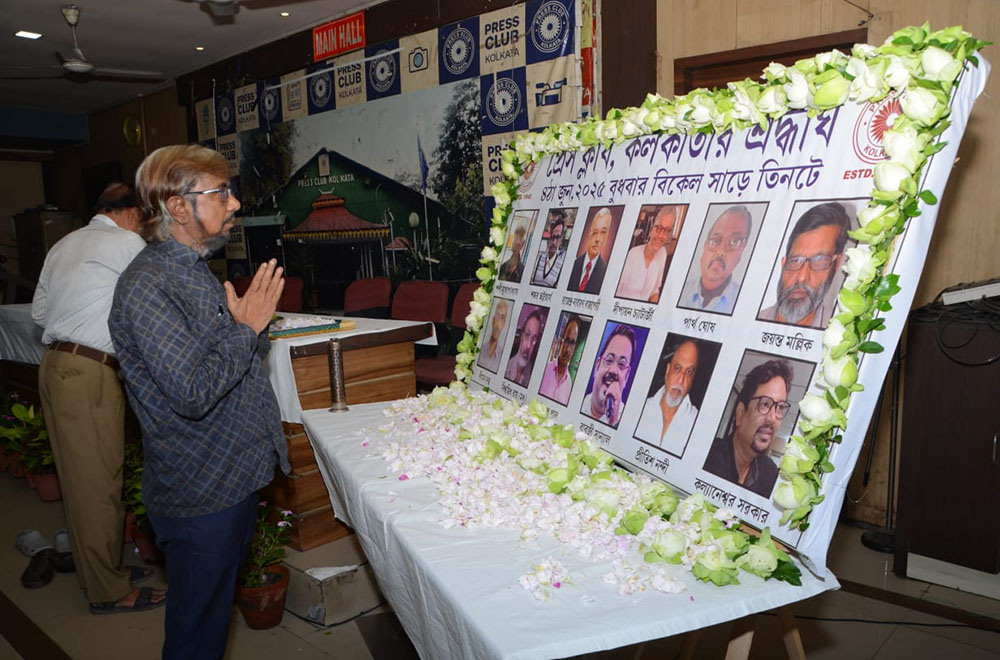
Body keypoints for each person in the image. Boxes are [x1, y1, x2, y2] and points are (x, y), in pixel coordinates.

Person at [109, 144, 290, 659]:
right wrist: (245, 329)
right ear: (178, 207)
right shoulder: (148, 286)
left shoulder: (189, 270)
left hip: (230, 479)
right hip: (201, 490)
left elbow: (227, 365)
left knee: (210, 624)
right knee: (196, 635)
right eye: (221, 193)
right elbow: (192, 393)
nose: (234, 204)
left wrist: (246, 330)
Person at [31, 182, 163, 614]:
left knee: (80, 481)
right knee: (99, 484)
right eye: (145, 221)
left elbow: (39, 314)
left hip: (55, 366)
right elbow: (156, 301)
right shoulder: (126, 243)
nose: (145, 231)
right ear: (130, 214)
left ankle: (103, 571)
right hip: (89, 372)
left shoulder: (63, 244)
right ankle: (109, 591)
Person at [703, 359, 792, 497]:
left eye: (780, 407)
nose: (772, 418)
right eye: (764, 404)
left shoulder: (769, 473)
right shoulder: (709, 456)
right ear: (740, 413)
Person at [759, 202, 850, 328]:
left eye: (819, 260)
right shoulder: (753, 321)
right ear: (784, 264)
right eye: (796, 261)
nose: (802, 277)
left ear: (836, 264)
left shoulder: (840, 330)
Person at [679, 206, 752, 313]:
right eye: (716, 241)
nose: (720, 252)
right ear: (705, 247)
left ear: (741, 254)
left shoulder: (744, 304)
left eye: (734, 242)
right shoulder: (680, 290)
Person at [634, 339, 699, 454]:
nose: (681, 380)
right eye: (677, 368)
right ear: (667, 370)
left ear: (692, 380)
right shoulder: (640, 408)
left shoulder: (697, 422)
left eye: (689, 372)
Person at [616, 205, 677, 302]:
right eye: (659, 228)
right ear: (651, 229)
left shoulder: (663, 254)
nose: (661, 236)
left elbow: (655, 290)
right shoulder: (632, 255)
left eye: (667, 230)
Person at [581, 324, 635, 427]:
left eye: (621, 364)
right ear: (597, 367)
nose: (613, 371)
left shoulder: (628, 422)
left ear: (627, 376)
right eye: (609, 360)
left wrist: (613, 420)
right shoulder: (578, 400)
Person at [567, 207, 612, 294]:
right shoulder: (573, 263)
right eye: (595, 232)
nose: (597, 239)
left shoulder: (606, 272)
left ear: (606, 238)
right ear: (589, 234)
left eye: (603, 232)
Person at [538, 315, 580, 405]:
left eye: (572, 343)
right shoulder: (544, 370)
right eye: (567, 341)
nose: (568, 349)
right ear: (561, 342)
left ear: (574, 348)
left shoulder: (568, 384)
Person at [504, 307, 545, 387]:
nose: (529, 345)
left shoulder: (531, 377)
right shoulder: (505, 366)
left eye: (534, 340)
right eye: (527, 335)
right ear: (521, 335)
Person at [532, 212, 567, 287]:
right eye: (553, 237)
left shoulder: (561, 266)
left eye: (558, 237)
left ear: (561, 240)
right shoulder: (538, 259)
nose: (554, 242)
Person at [477, 299, 510, 373]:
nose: (498, 322)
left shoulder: (504, 358)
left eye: (502, 317)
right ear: (493, 320)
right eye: (497, 315)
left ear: (504, 323)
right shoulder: (479, 348)